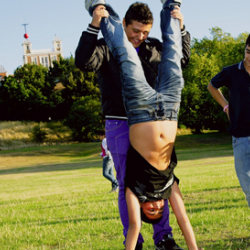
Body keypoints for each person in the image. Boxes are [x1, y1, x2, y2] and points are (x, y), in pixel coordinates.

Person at [84, 0, 201, 250]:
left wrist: (97, 21)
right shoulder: (170, 187)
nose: (141, 36)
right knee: (171, 49)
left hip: (137, 111)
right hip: (167, 108)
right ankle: (171, 4)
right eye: (136, 31)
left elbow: (139, 221)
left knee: (125, 54)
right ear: (125, 24)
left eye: (145, 32)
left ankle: (99, 6)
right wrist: (180, 27)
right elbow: (83, 61)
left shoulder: (145, 46)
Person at [208, 34, 250, 208]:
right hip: (240, 137)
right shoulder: (232, 71)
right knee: (248, 187)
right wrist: (225, 106)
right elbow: (212, 86)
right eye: (248, 51)